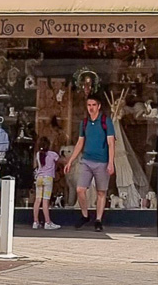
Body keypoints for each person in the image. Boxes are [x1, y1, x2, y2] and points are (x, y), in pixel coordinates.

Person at [64, 95, 115, 231]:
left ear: (98, 106)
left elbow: (111, 143)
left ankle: (98, 220)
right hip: (86, 160)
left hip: (102, 161)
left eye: (93, 105)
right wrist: (70, 161)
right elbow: (80, 143)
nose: (91, 108)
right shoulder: (85, 123)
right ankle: (85, 215)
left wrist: (111, 162)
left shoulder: (106, 121)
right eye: (89, 105)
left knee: (101, 192)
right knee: (80, 189)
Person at [33, 135, 60, 230]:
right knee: (45, 200)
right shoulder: (53, 154)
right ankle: (47, 222)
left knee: (37, 200)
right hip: (48, 178)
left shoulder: (37, 154)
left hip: (39, 178)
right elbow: (59, 161)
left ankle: (35, 221)